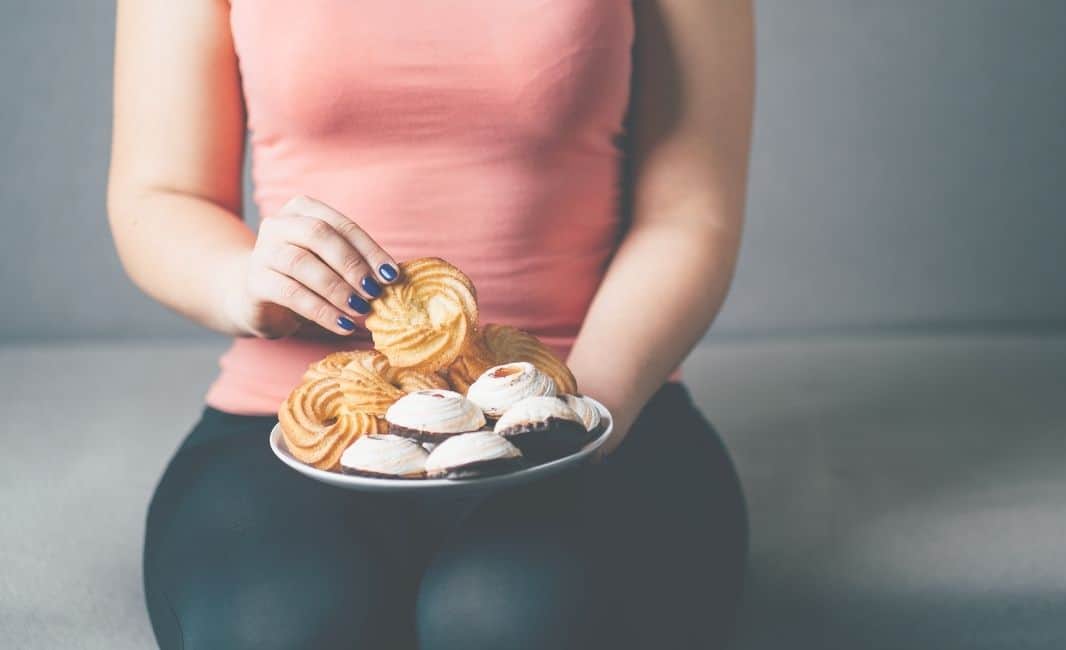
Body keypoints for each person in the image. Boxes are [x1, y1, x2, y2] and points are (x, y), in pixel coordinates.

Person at [106, 1, 753, 648]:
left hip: (603, 405)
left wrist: (564, 417)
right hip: (292, 426)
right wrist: (242, 283)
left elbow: (689, 214)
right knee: (284, 630)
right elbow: (162, 191)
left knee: (516, 620)